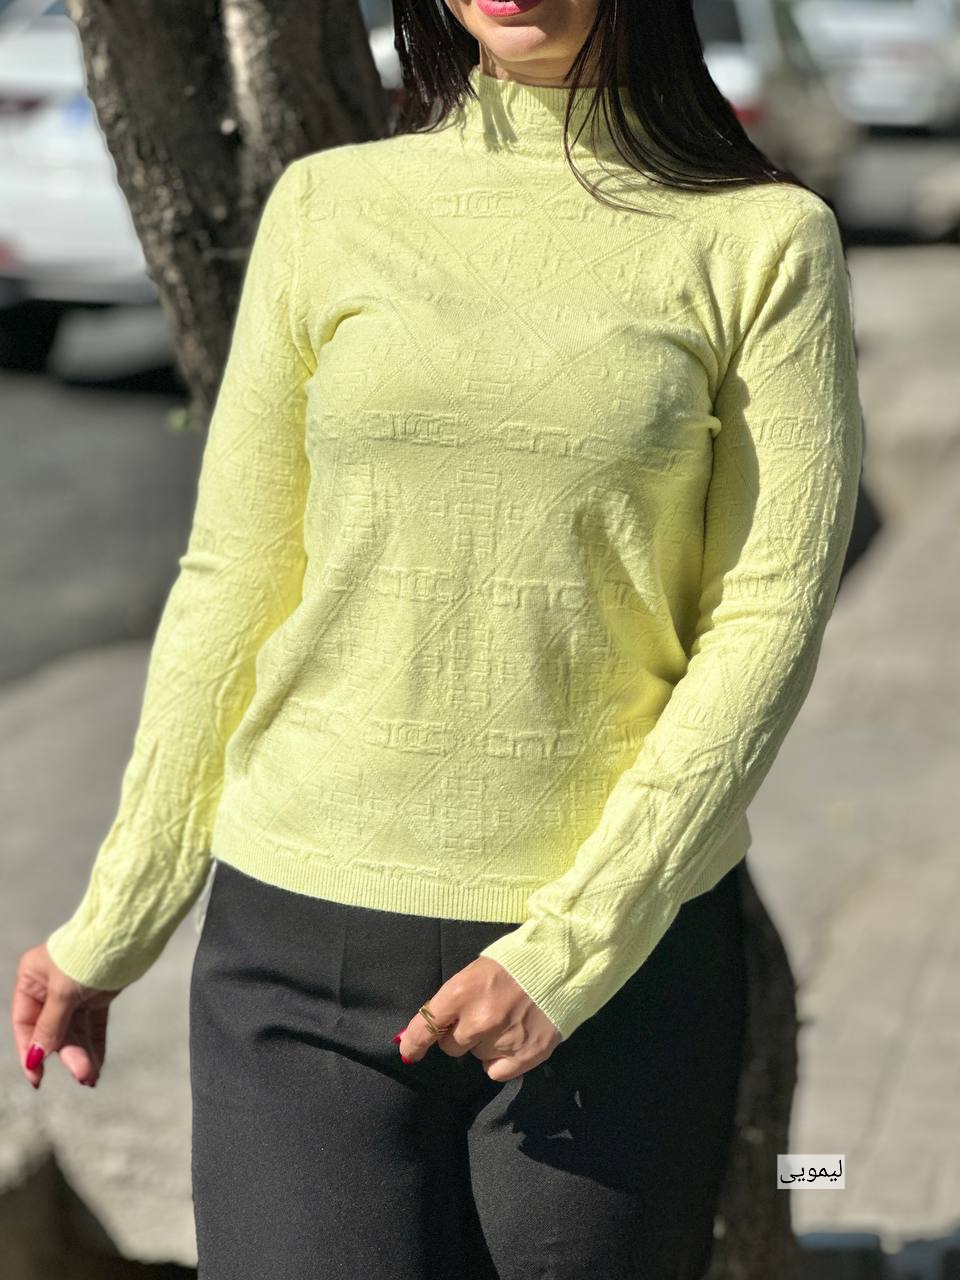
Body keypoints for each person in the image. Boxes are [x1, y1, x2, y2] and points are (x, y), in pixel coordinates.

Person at [11, 1, 864, 1276]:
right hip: (297, 955)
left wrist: (574, 950)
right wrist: (119, 914)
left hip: (612, 982)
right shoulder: (327, 207)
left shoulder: (762, 240)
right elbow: (234, 580)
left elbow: (767, 614)